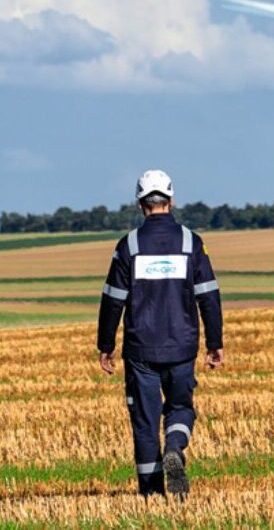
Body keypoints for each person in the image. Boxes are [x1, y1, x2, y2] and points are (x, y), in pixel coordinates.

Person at [97, 170, 224, 499]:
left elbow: (113, 299)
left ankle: (152, 495)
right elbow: (208, 295)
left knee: (144, 420)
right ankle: (176, 448)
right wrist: (214, 342)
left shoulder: (129, 245)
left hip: (140, 350)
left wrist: (106, 345)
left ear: (140, 204)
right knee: (181, 408)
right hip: (182, 346)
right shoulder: (191, 242)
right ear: (171, 200)